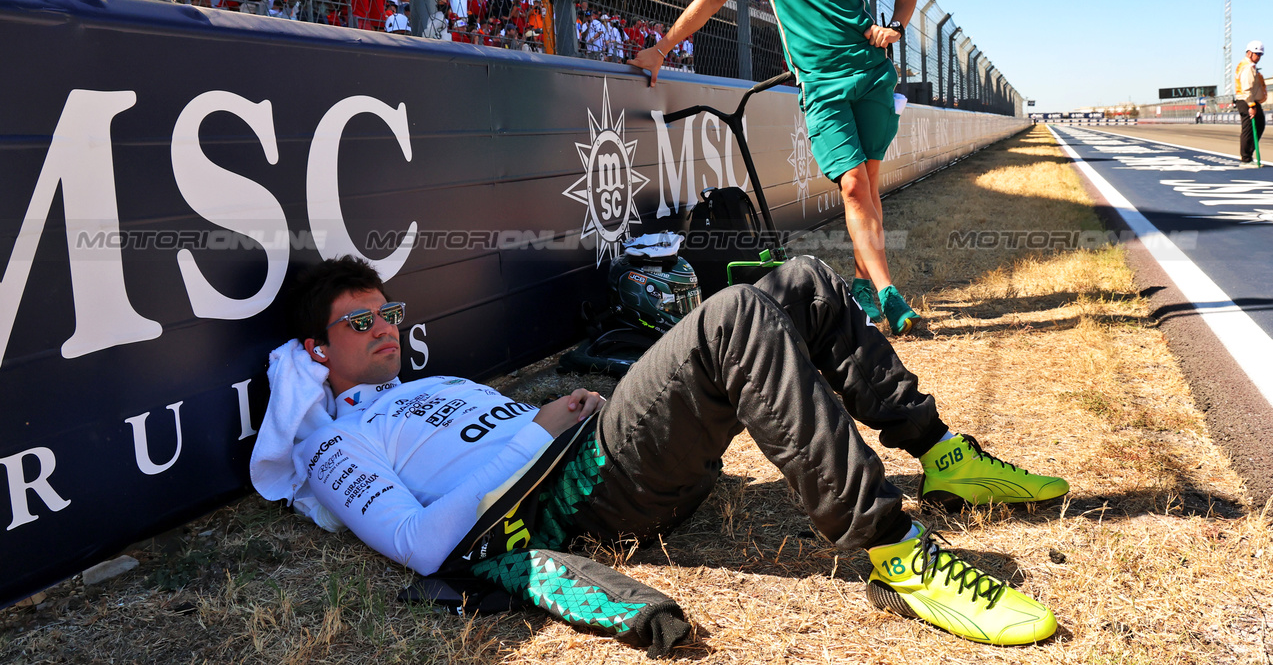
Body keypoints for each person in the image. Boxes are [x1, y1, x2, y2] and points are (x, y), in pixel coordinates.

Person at [254, 254, 1068, 656]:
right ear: (315, 351)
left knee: (806, 280)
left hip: (601, 454)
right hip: (570, 500)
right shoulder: (333, 441)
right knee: (734, 317)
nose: (385, 327)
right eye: (358, 323)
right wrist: (538, 432)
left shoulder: (438, 384)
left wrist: (554, 417)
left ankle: (941, 452)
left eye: (387, 311)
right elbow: (424, 543)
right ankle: (897, 552)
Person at [629, 0, 924, 335]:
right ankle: (890, 293)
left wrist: (894, 27)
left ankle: (864, 285)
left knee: (867, 186)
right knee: (852, 186)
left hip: (871, 76)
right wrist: (662, 47)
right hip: (821, 86)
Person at [1235, 40, 1266, 167]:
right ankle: (1246, 159)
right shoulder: (1248, 67)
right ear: (1249, 53)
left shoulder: (1249, 65)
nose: (1258, 57)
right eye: (1256, 54)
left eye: (1260, 54)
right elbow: (1247, 88)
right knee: (1249, 129)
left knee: (1258, 125)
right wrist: (1251, 106)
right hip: (1247, 101)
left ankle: (1248, 156)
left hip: (1249, 100)